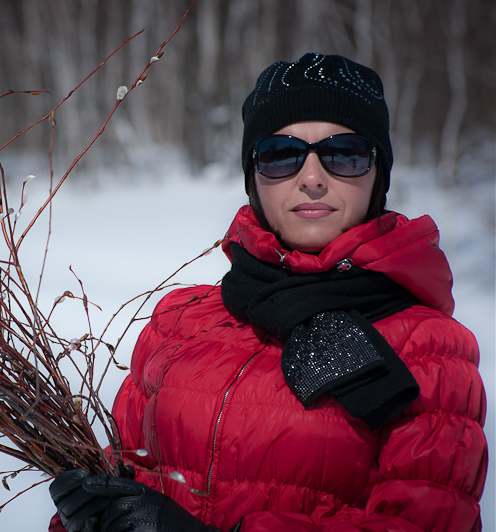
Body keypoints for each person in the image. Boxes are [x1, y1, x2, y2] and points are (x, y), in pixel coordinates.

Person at [48, 53, 488, 532]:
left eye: (345, 153)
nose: (314, 177)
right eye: (282, 154)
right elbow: (125, 477)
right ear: (254, 176)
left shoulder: (429, 351)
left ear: (376, 174)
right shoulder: (181, 319)